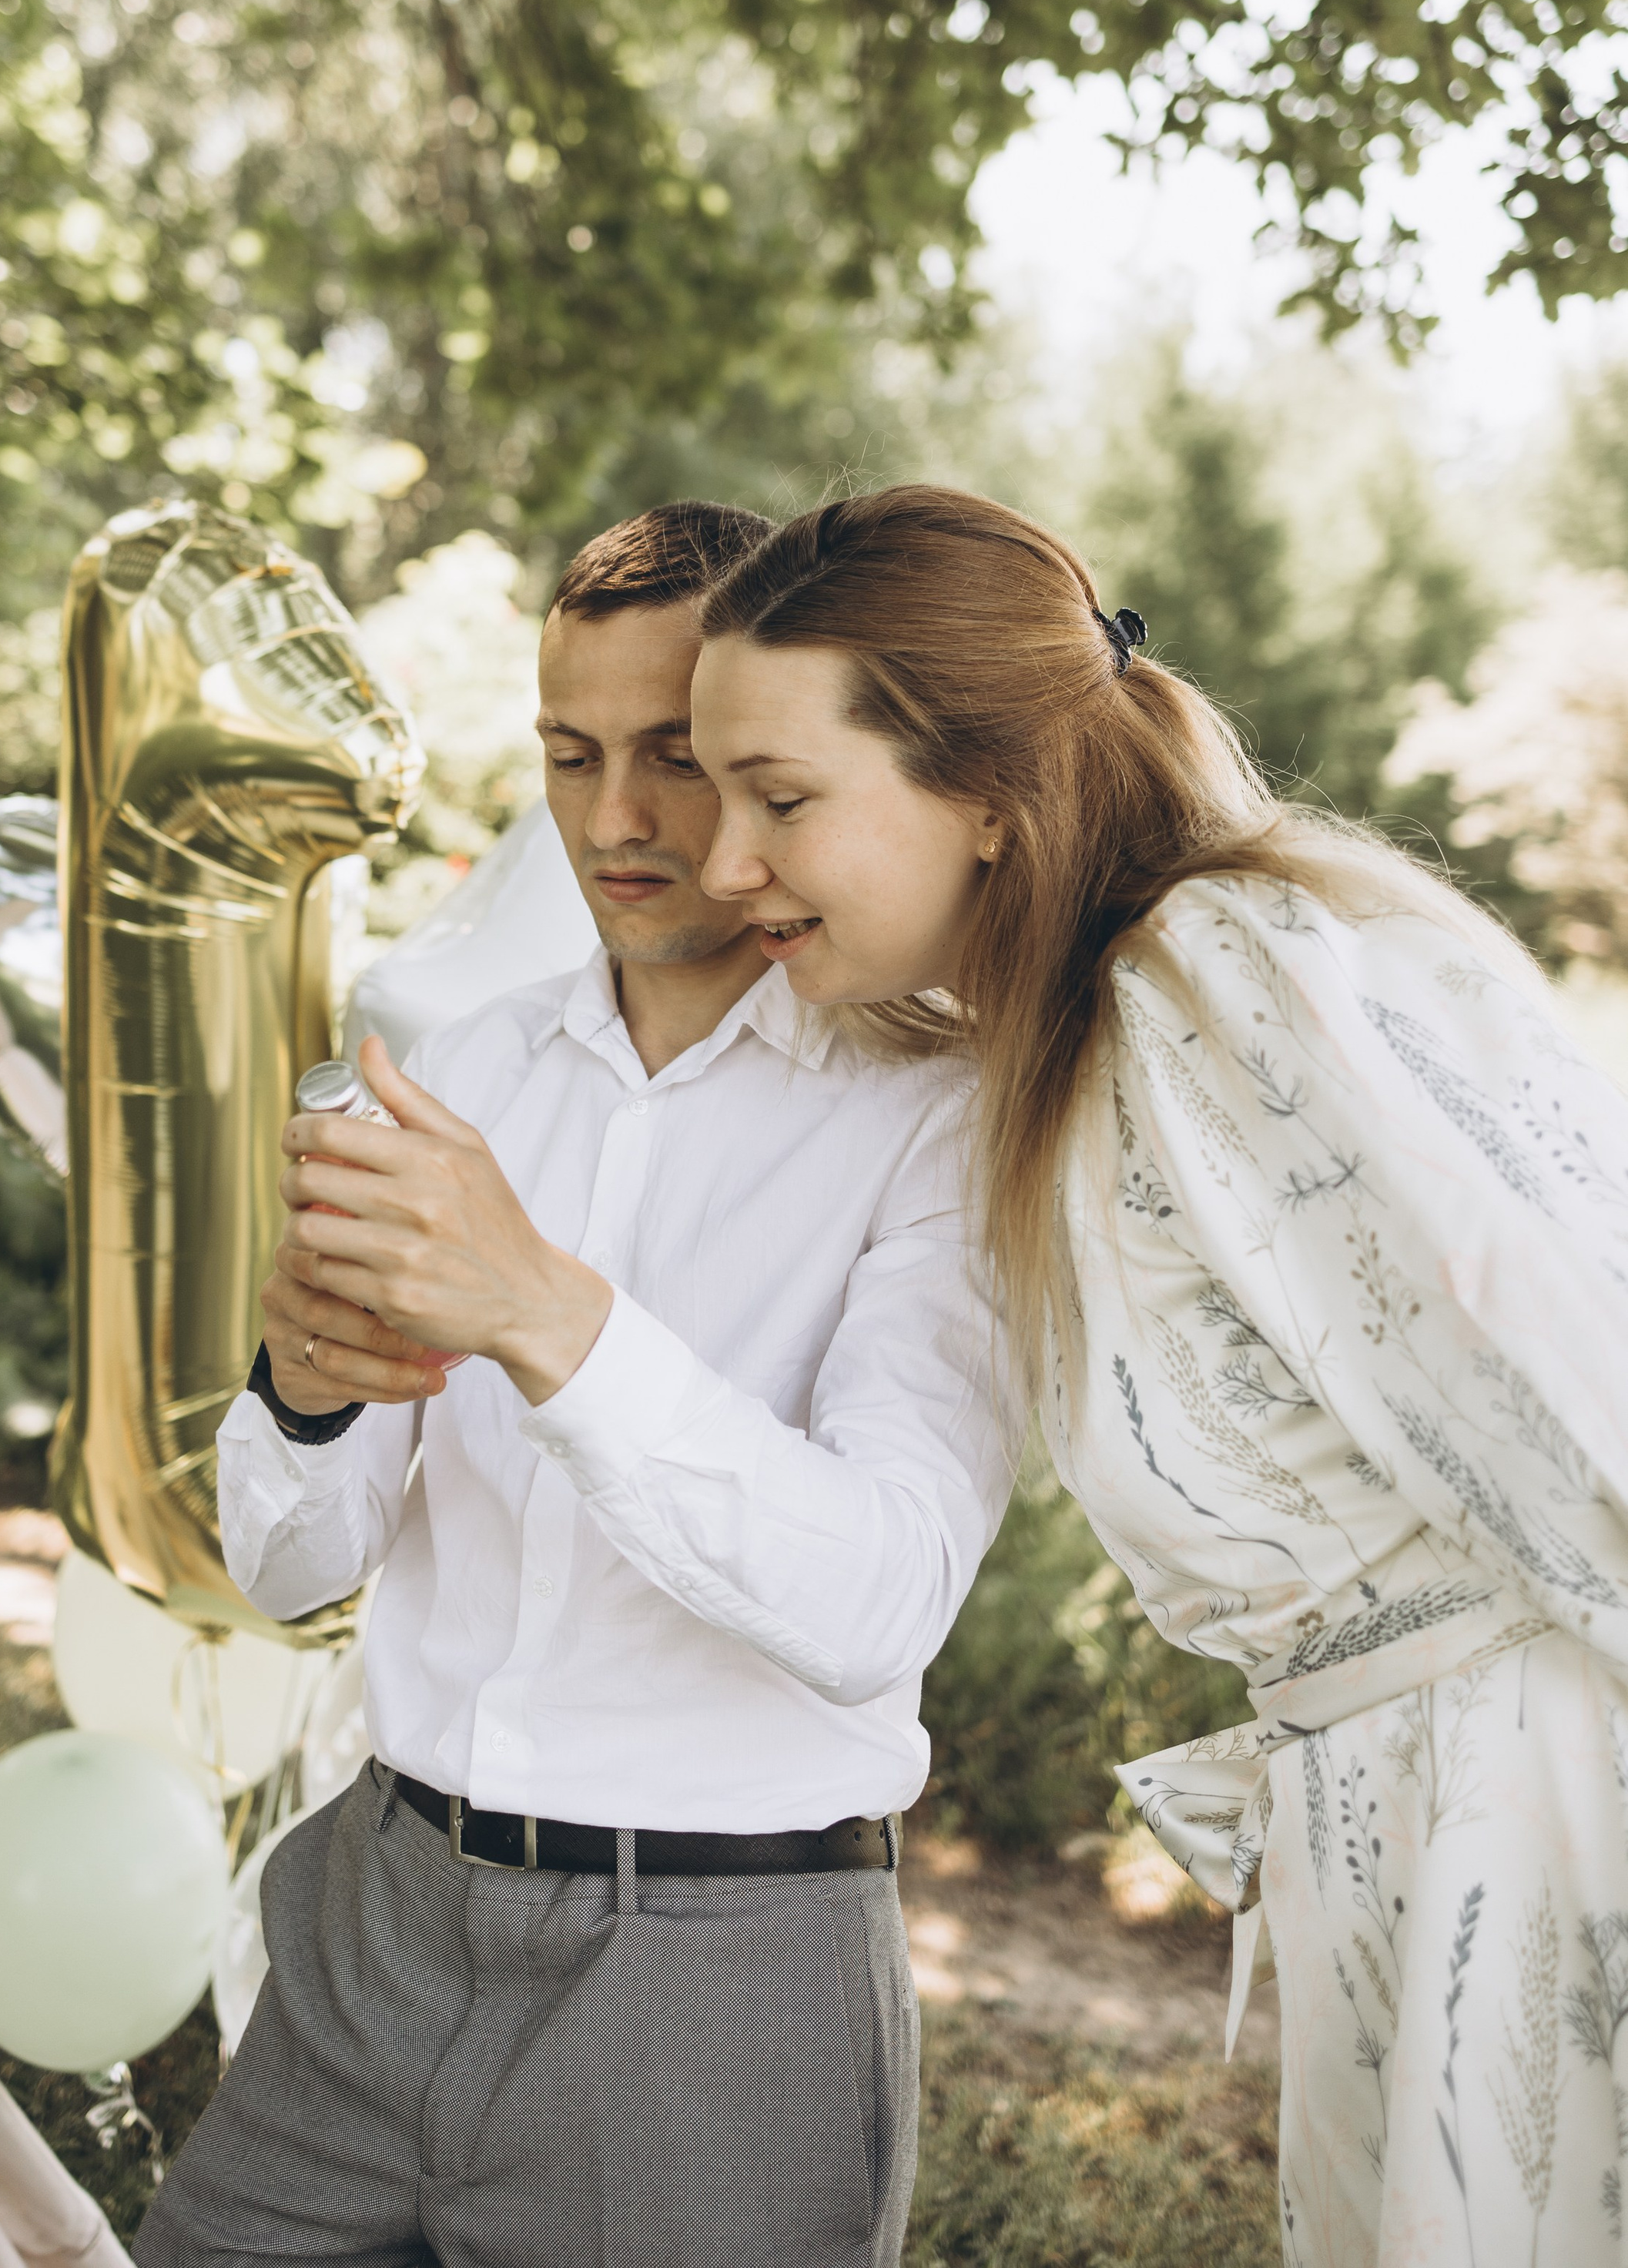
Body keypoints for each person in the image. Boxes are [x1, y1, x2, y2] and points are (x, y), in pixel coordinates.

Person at [688, 480, 1628, 2268]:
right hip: (1405, 1824)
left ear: (982, 795)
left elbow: (1560, 1395)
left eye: (780, 798)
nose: (728, 859)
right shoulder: (1063, 1036)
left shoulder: (1206, 979)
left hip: (1535, 1814)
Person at [136, 499, 1019, 2268]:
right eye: (567, 753)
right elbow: (294, 1563)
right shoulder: (453, 1071)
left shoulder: (948, 1112)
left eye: (682, 760)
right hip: (370, 1935)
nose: (615, 821)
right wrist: (302, 1397)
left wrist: (547, 1311)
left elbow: (875, 1600)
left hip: (709, 1977)